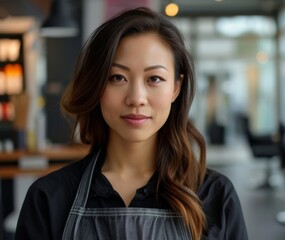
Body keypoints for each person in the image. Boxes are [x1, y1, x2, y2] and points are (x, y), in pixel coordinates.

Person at [15, 7, 247, 240]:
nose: (136, 98)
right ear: (97, 86)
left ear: (176, 87)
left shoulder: (216, 195)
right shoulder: (49, 197)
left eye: (154, 79)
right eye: (118, 78)